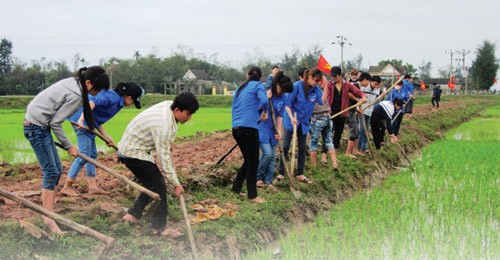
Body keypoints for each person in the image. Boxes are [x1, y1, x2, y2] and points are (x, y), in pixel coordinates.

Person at [23, 66, 110, 234]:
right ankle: (48, 218)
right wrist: (69, 146)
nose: (97, 93)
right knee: (51, 172)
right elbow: (56, 122)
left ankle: (49, 213)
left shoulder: (73, 83)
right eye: (97, 89)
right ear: (88, 83)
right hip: (36, 127)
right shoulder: (77, 94)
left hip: (39, 125)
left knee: (56, 170)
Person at [119, 92, 199, 237]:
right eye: (188, 114)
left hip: (136, 147)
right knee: (158, 185)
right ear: (177, 110)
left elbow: (166, 143)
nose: (189, 118)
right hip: (133, 152)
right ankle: (159, 227)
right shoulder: (163, 125)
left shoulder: (170, 106)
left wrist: (168, 143)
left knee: (152, 183)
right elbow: (164, 160)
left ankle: (132, 215)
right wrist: (176, 184)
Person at [60, 82, 144, 196]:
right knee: (84, 154)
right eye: (134, 101)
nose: (132, 104)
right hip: (82, 123)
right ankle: (67, 186)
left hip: (88, 123)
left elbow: (96, 119)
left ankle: (92, 186)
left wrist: (106, 136)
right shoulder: (112, 97)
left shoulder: (117, 103)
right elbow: (91, 102)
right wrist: (81, 119)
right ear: (129, 97)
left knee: (92, 155)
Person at [277, 67, 325, 184]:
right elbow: (287, 105)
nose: (316, 83)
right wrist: (292, 117)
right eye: (315, 80)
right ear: (309, 77)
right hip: (291, 119)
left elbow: (322, 101)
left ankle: (300, 173)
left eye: (318, 81)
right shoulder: (297, 86)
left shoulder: (316, 89)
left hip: (304, 121)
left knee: (302, 147)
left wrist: (326, 86)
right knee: (286, 146)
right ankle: (281, 173)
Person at [231, 66, 269, 203]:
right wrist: (264, 112)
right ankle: (252, 195)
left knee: (248, 160)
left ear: (247, 75)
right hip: (249, 128)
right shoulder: (258, 85)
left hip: (236, 128)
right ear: (260, 77)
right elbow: (264, 101)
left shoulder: (239, 88)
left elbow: (239, 107)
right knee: (254, 161)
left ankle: (236, 188)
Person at [256, 71, 293, 191]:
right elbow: (254, 107)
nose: (283, 93)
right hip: (261, 126)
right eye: (282, 90)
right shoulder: (265, 91)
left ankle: (268, 181)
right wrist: (265, 98)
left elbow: (280, 115)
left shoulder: (283, 97)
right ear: (277, 85)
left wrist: (279, 131)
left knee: (272, 156)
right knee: (267, 154)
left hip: (273, 128)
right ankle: (257, 178)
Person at [323, 66, 367, 158]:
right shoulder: (330, 85)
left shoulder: (347, 85)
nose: (333, 78)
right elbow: (326, 98)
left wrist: (363, 97)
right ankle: (325, 155)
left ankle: (334, 154)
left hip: (342, 113)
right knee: (328, 133)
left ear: (339, 76)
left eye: (334, 76)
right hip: (331, 112)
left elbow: (358, 92)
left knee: (338, 133)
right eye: (331, 76)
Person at [309, 76, 338, 170]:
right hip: (327, 117)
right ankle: (334, 163)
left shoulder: (314, 92)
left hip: (317, 117)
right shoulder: (326, 90)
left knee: (313, 142)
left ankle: (313, 167)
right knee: (328, 140)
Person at [358, 75, 381, 153]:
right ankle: (359, 148)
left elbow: (375, 101)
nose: (376, 86)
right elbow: (358, 98)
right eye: (375, 84)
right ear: (371, 81)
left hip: (370, 112)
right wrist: (359, 108)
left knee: (367, 130)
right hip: (362, 111)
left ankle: (365, 147)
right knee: (362, 130)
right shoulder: (363, 88)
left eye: (378, 84)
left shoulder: (376, 90)